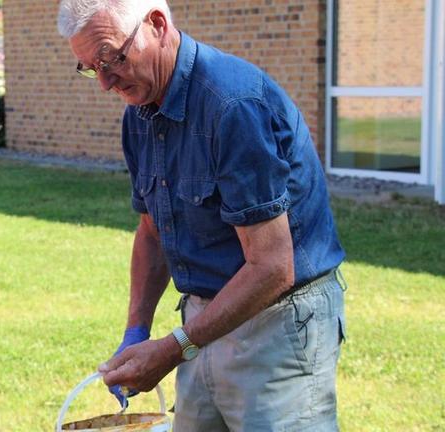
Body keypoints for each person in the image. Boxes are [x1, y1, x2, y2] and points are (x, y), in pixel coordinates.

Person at [58, 1, 347, 430]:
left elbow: (272, 266)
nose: (103, 82)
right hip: (202, 320)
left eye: (111, 58)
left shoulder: (233, 105)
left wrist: (173, 349)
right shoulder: (139, 115)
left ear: (156, 24)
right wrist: (137, 329)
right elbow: (153, 232)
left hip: (278, 322)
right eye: (89, 67)